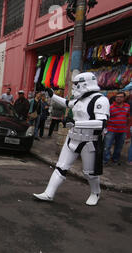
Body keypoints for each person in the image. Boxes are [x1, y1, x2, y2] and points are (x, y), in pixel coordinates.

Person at [33, 72, 110, 206]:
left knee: (89, 173)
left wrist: (76, 123)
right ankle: (49, 193)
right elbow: (67, 103)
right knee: (60, 167)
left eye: (76, 84)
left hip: (89, 141)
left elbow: (101, 123)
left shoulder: (100, 100)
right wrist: (53, 96)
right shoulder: (80, 99)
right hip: (72, 138)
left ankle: (95, 192)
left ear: (85, 84)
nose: (74, 87)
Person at [103, 91, 130, 165]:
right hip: (111, 130)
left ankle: (115, 159)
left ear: (124, 98)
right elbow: (106, 119)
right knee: (107, 146)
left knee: (119, 147)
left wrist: (127, 131)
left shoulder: (127, 106)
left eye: (121, 97)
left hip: (122, 130)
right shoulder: (110, 107)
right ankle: (105, 160)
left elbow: (127, 117)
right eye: (117, 97)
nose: (118, 98)